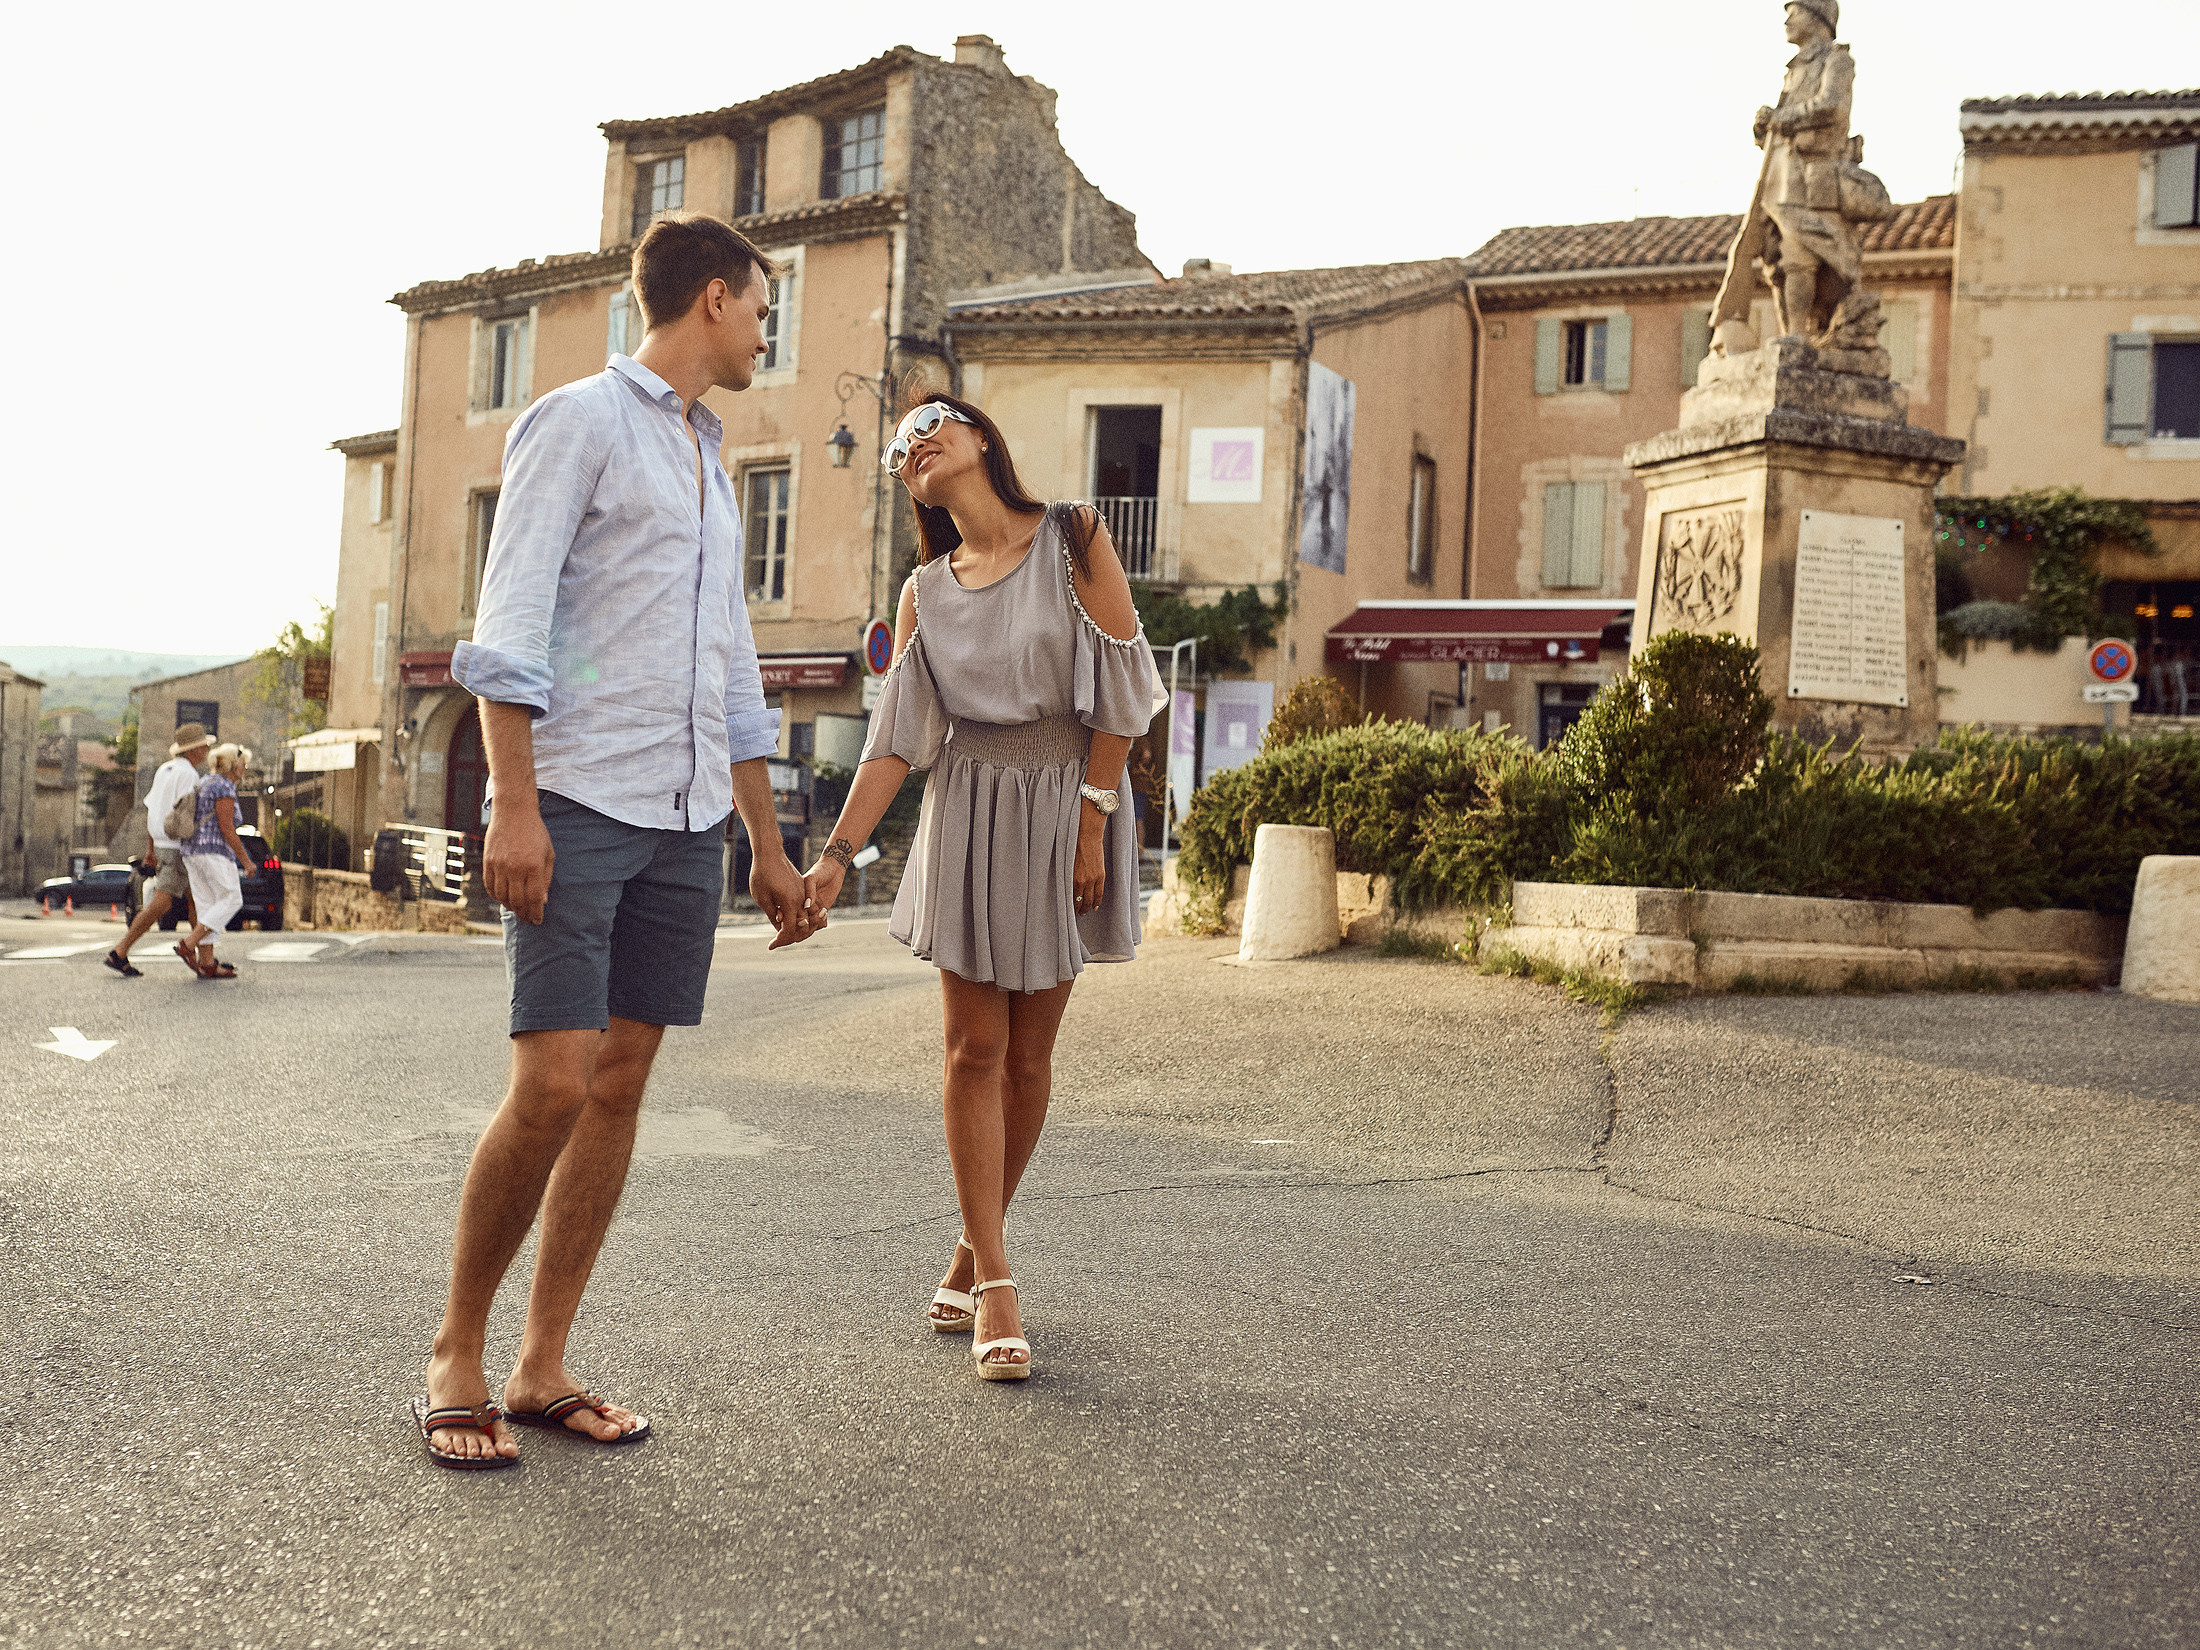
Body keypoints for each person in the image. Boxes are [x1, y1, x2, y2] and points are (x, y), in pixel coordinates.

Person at [413, 212, 807, 1470]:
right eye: (762, 309)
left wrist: (766, 844)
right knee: (552, 1085)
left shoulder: (710, 458)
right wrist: (514, 803)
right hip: (578, 799)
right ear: (711, 299)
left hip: (687, 816)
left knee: (622, 1083)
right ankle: (457, 1351)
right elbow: (511, 623)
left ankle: (542, 1366)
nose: (767, 332)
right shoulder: (575, 421)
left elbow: (731, 669)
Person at [799, 393, 1163, 1381]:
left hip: (1066, 799)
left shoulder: (1075, 536)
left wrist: (1092, 822)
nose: (914, 442)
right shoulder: (924, 590)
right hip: (968, 808)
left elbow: (1123, 695)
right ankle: (997, 1282)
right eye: (898, 446)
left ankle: (971, 1244)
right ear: (909, 486)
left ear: (980, 437)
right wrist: (834, 856)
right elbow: (895, 742)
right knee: (973, 1051)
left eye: (931, 422)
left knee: (1029, 1060)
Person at [105, 722, 209, 977]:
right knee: (162, 904)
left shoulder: (164, 770)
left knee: (197, 901)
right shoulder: (189, 775)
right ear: (193, 750)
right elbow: (184, 816)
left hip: (163, 845)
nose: (207, 750)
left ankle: (205, 959)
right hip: (178, 847)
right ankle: (120, 951)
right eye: (204, 745)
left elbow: (153, 811)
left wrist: (151, 849)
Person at [175, 743, 257, 980]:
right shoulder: (224, 787)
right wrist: (247, 861)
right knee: (232, 899)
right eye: (243, 764)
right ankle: (189, 944)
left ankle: (207, 964)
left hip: (191, 852)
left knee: (207, 905)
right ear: (233, 765)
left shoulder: (204, 782)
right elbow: (227, 828)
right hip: (213, 852)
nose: (245, 768)